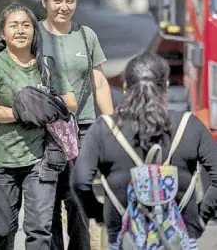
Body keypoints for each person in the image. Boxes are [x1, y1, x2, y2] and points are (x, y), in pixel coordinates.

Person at [71, 52, 217, 250]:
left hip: (125, 239)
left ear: (124, 88)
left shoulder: (104, 129)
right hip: (179, 238)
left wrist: (99, 215)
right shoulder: (189, 125)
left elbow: (80, 181)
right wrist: (199, 219)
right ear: (166, 87)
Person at [0, 3, 77, 250]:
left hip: (40, 160)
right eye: (14, 25)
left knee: (39, 232)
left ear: (34, 30)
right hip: (0, 161)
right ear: (4, 33)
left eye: (26, 25)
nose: (20, 30)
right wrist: (24, 113)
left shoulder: (48, 66)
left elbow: (70, 102)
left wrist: (46, 106)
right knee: (0, 232)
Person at [39, 0, 114, 250]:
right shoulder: (33, 34)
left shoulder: (86, 36)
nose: (63, 6)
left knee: (78, 196)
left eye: (69, 1)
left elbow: (100, 82)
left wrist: (111, 125)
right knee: (48, 200)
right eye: (57, 0)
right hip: (41, 131)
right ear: (45, 2)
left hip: (81, 130)